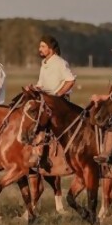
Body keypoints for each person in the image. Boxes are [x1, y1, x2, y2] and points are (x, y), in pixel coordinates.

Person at [26, 35, 76, 167]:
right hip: (46, 100)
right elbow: (41, 84)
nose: (39, 49)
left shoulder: (60, 62)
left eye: (43, 46)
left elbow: (70, 80)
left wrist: (58, 95)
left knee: (41, 120)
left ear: (51, 48)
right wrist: (33, 88)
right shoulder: (45, 63)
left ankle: (39, 153)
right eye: (40, 46)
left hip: (58, 102)